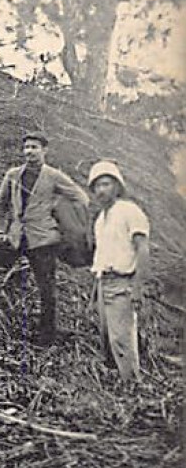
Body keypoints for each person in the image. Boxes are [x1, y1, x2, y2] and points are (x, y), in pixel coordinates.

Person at [0, 131, 89, 345]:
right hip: (14, 237)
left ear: (45, 150)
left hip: (42, 240)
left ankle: (46, 337)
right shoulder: (13, 175)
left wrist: (59, 214)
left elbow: (81, 198)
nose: (29, 151)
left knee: (47, 289)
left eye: (34, 147)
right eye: (26, 147)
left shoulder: (54, 176)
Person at [88, 160, 149, 384]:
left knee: (122, 340)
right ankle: (118, 391)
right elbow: (103, 255)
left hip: (123, 282)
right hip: (105, 282)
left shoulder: (129, 211)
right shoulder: (100, 219)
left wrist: (137, 288)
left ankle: (133, 387)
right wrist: (96, 290)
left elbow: (142, 249)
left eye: (106, 184)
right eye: (97, 186)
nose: (101, 190)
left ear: (117, 186)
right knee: (107, 340)